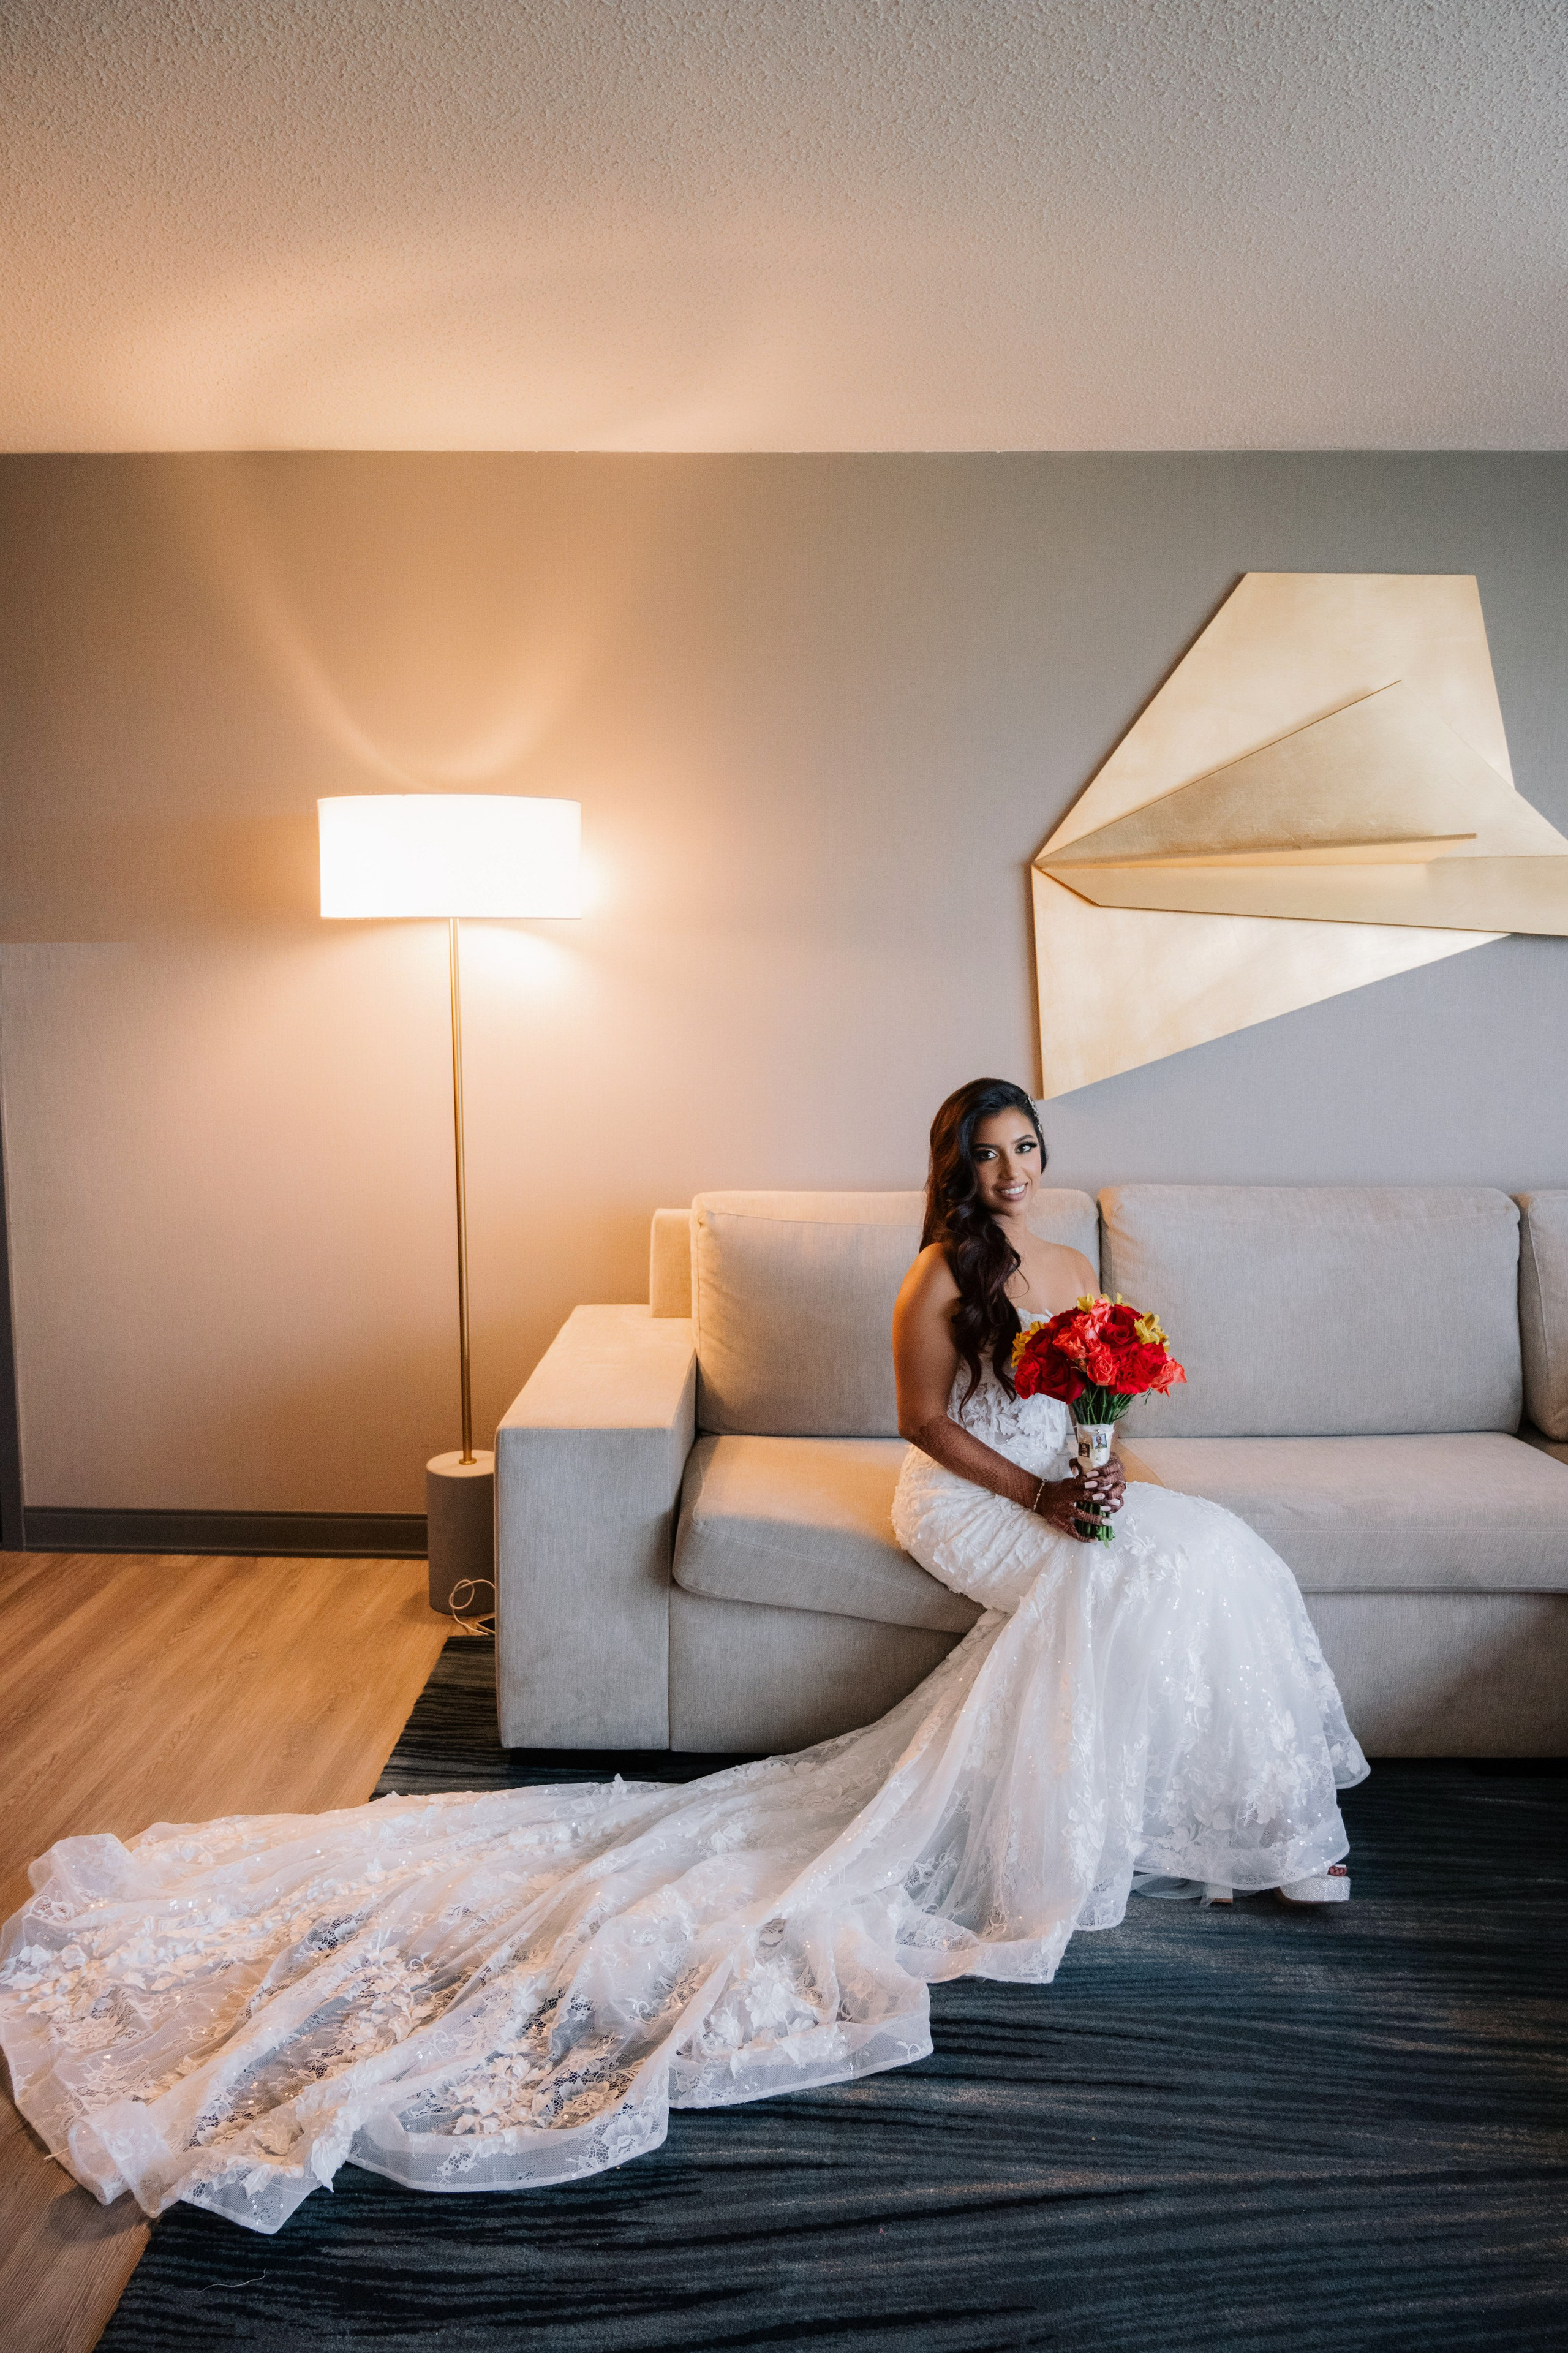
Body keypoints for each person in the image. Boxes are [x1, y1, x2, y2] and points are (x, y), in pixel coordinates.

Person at [0, 1079, 1365, 2236]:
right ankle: (1065, 1832)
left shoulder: (1069, 1266)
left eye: (1023, 1148)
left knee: (1216, 1550)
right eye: (984, 1152)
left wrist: (1099, 1470)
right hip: (965, 1498)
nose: (1008, 1169)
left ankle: (1252, 1817)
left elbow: (1098, 1394)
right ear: (953, 1169)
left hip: (1056, 1482)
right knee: (1104, 1588)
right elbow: (922, 1428)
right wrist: (1041, 1502)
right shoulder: (934, 1278)